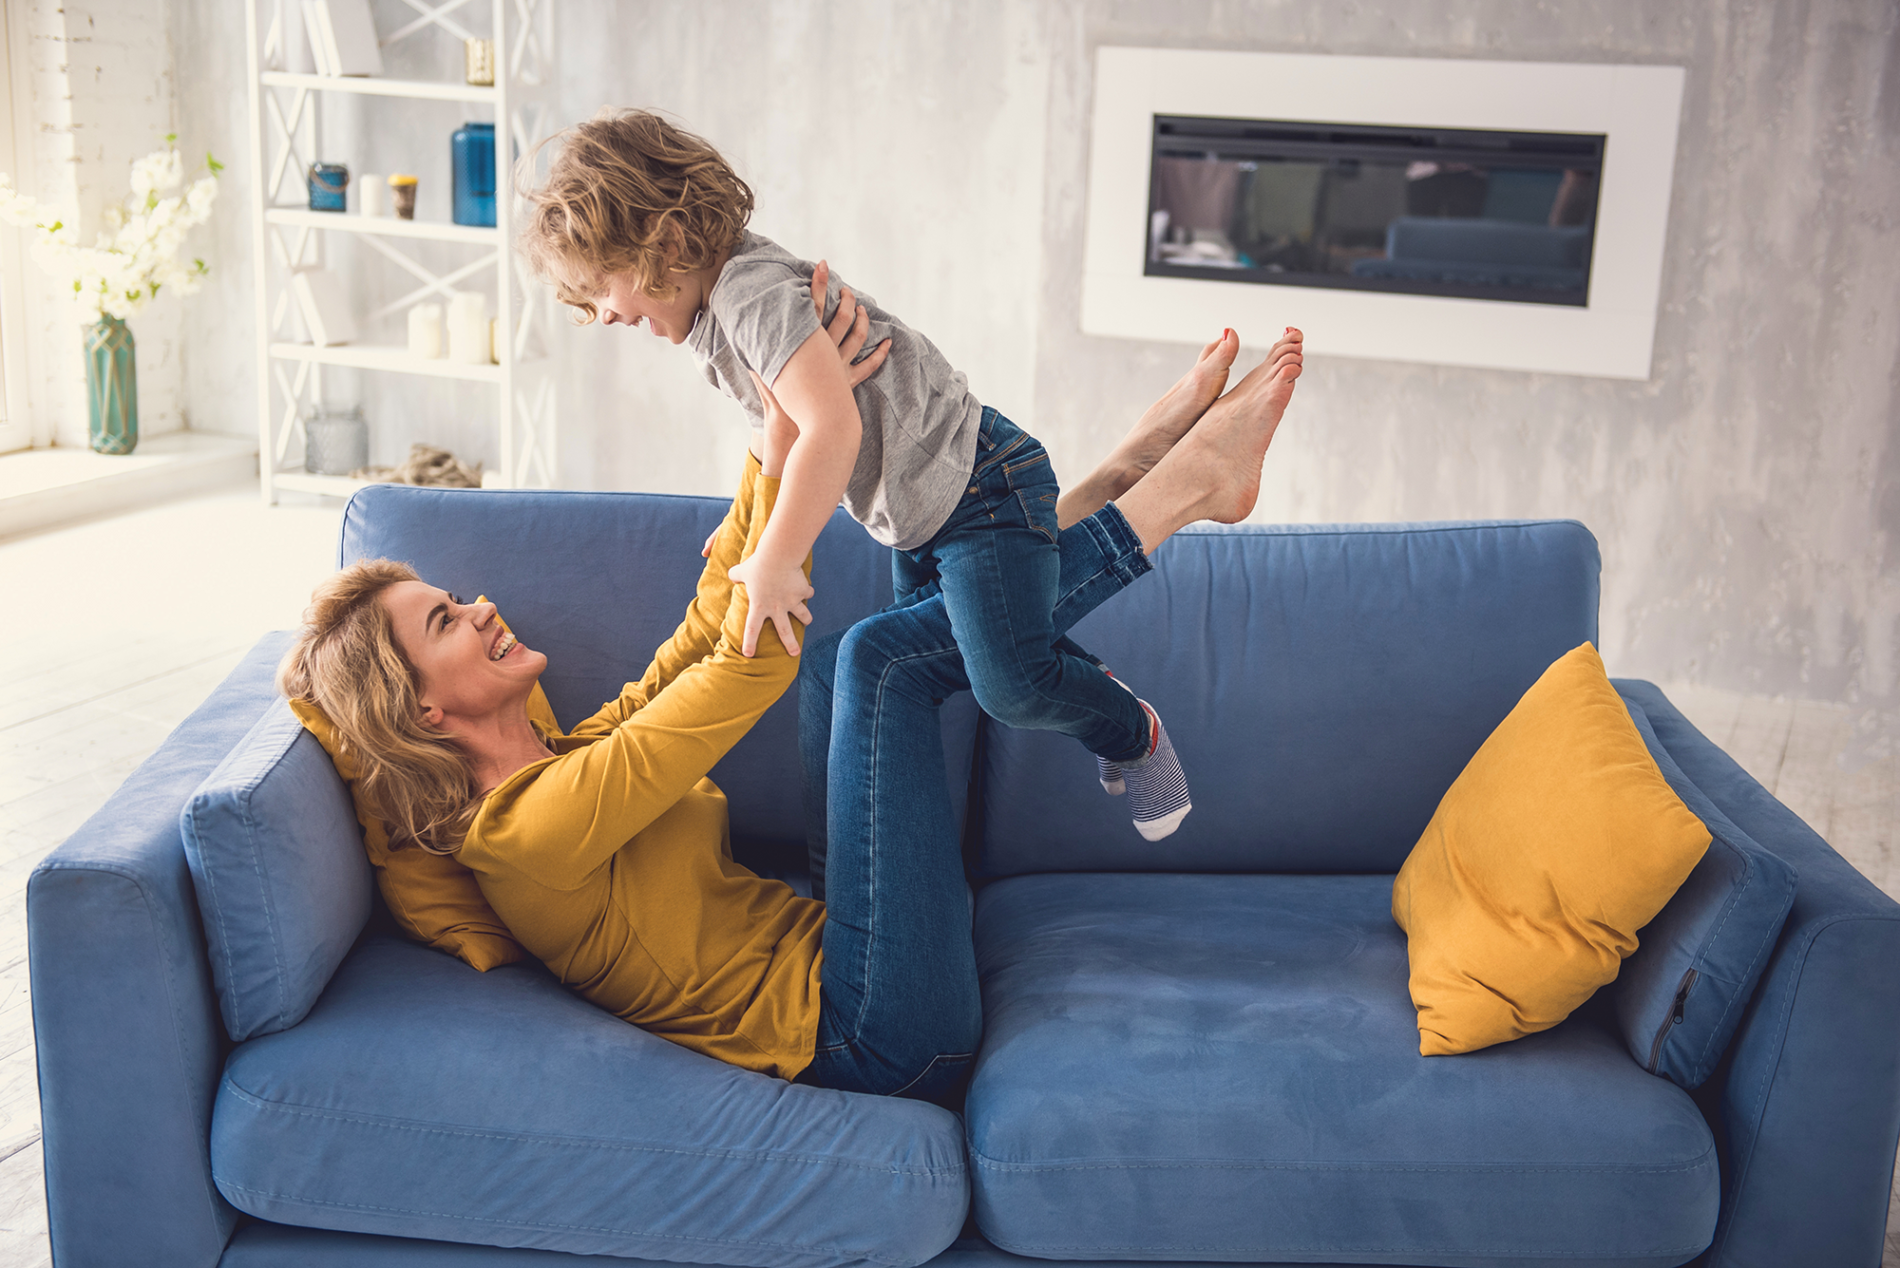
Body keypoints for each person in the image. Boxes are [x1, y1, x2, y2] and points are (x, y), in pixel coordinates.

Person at [279, 271, 1304, 1100]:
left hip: (846, 938)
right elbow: (744, 663)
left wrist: (783, 432)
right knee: (879, 660)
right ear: (424, 709)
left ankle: (1121, 470)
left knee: (879, 639)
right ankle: (1175, 493)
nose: (482, 604)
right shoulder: (529, 833)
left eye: (457, 595)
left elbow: (697, 634)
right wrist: (809, 418)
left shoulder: (565, 755)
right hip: (877, 1030)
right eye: (446, 621)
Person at [518, 108, 1305, 841]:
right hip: (925, 514)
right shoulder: (718, 318)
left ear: (662, 242)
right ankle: (1127, 473)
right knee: (952, 660)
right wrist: (747, 525)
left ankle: (1132, 731)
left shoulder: (748, 295)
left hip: (978, 493)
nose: (607, 315)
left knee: (1008, 682)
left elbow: (833, 428)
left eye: (601, 288)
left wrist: (779, 559)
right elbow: (781, 428)